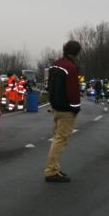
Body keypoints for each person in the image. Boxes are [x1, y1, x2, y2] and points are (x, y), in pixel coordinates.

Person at [44, 40, 82, 183]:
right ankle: (51, 171)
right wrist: (76, 107)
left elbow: (50, 85)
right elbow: (72, 90)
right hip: (67, 109)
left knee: (56, 138)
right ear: (77, 52)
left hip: (56, 107)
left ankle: (54, 169)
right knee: (60, 140)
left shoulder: (55, 64)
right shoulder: (71, 67)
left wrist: (52, 102)